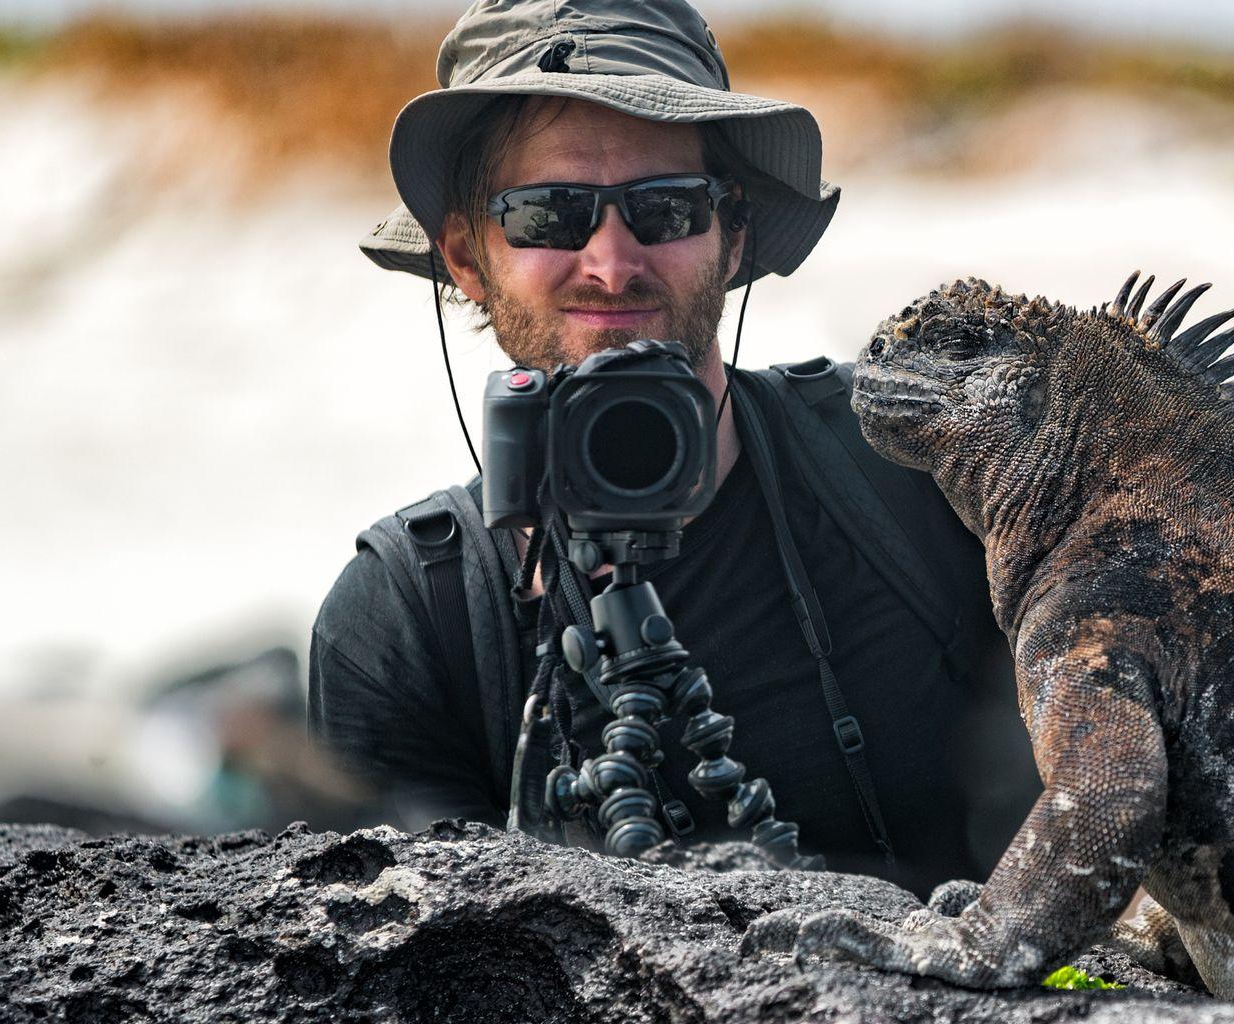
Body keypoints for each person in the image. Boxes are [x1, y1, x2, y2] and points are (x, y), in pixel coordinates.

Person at [309, 0, 1037, 897]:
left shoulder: (923, 467)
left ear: (733, 236)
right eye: (548, 214)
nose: (613, 262)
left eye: (665, 208)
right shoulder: (405, 622)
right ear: (465, 256)